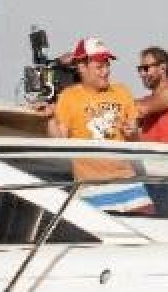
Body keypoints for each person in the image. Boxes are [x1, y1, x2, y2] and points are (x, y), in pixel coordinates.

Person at [47, 37, 153, 213]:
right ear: (82, 68)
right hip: (90, 188)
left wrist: (133, 132)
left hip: (127, 183)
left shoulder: (122, 91)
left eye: (107, 65)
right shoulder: (68, 96)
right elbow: (59, 142)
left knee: (152, 229)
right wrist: (49, 118)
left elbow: (135, 141)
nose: (106, 71)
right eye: (99, 67)